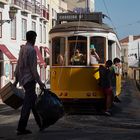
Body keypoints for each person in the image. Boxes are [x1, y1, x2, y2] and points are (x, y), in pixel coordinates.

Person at [14, 30, 46, 135]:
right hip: (30, 80)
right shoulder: (32, 50)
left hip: (24, 80)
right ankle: (21, 128)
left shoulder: (22, 49)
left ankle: (41, 124)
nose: (35, 40)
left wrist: (17, 79)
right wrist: (40, 83)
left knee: (34, 103)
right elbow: (33, 69)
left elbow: (18, 65)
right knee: (27, 105)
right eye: (35, 38)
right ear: (32, 38)